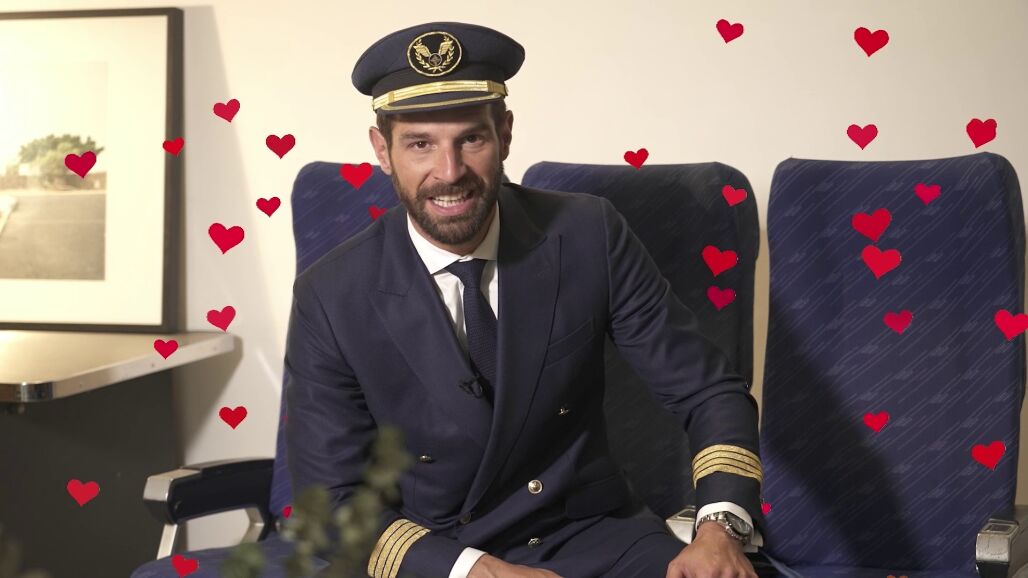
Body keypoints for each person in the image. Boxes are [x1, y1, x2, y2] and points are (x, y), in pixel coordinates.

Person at [286, 21, 777, 578]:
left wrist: (719, 527)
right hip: (436, 553)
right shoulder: (331, 294)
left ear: (505, 134)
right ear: (383, 150)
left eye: (471, 139)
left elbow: (708, 390)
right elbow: (330, 500)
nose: (449, 172)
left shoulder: (589, 233)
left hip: (590, 534)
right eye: (420, 144)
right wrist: (474, 570)